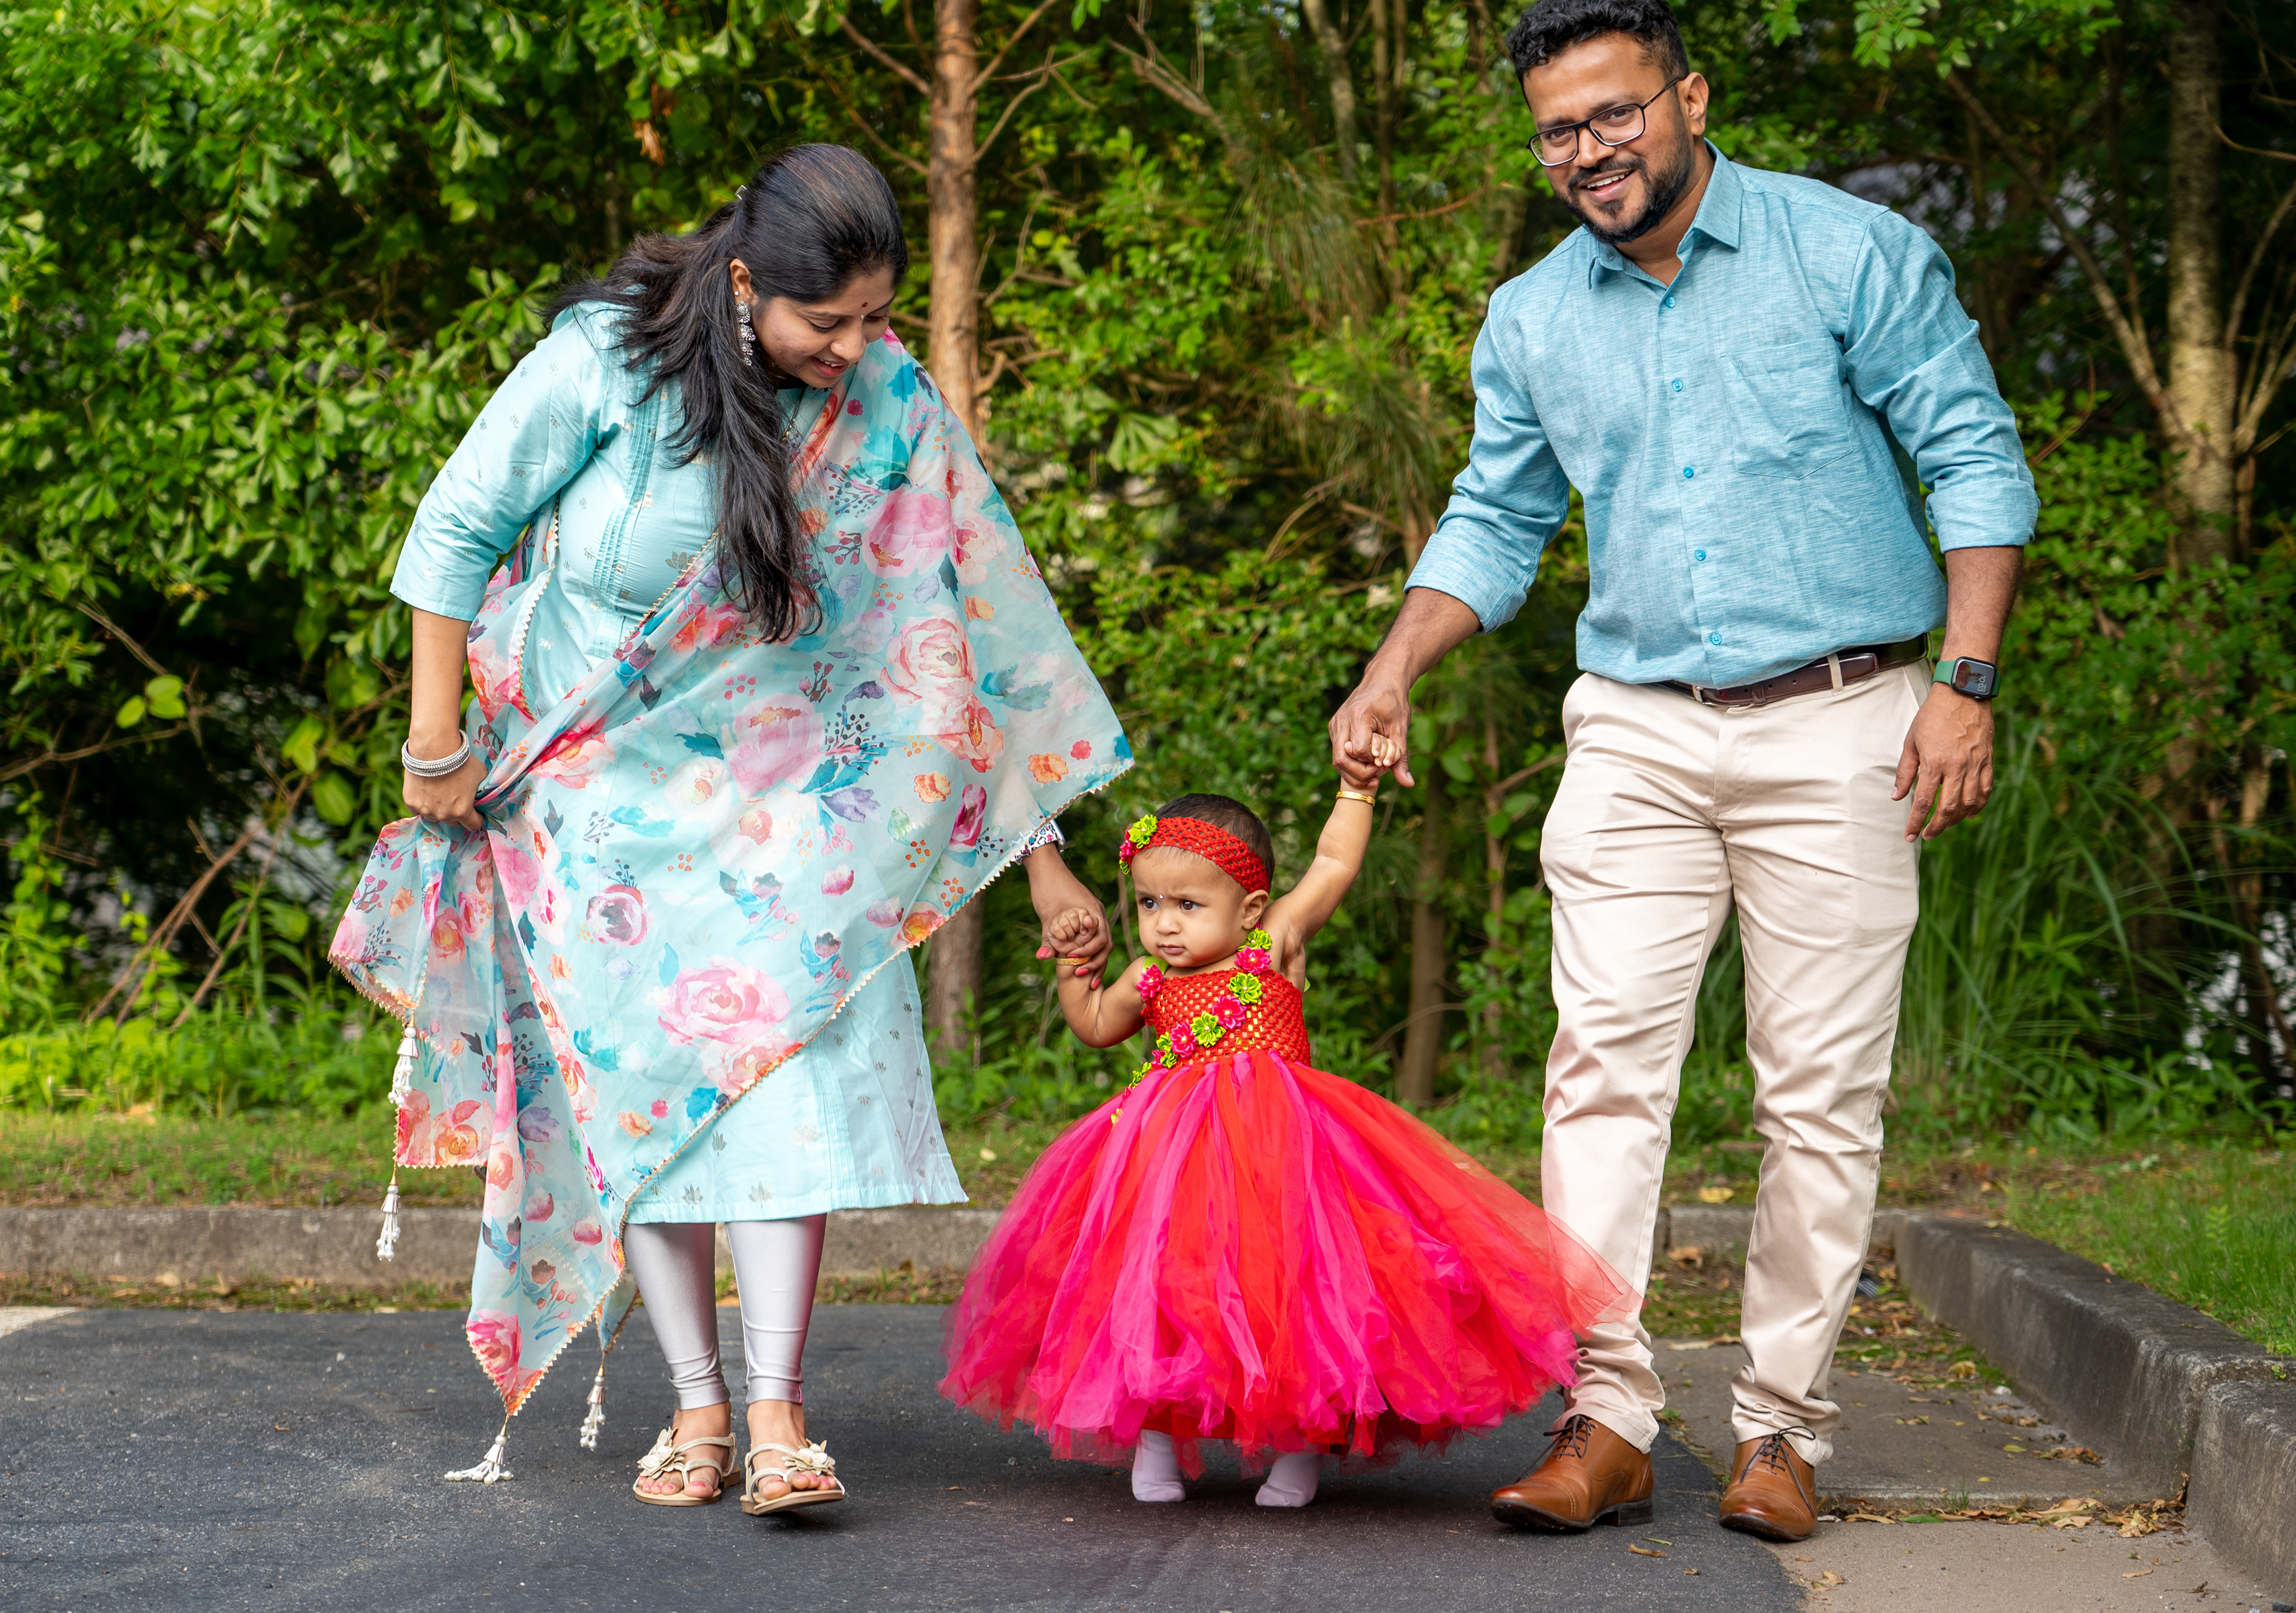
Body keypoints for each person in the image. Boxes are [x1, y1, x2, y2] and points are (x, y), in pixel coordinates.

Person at [329, 143, 1129, 1513]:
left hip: (793, 795)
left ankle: (777, 1412)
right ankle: (695, 1406)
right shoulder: (609, 361)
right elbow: (454, 532)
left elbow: (963, 630)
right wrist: (434, 744)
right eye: (830, 320)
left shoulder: (883, 399)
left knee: (782, 1079)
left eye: (876, 318)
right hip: (594, 791)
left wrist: (1039, 853)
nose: (855, 348)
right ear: (749, 282)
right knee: (640, 1088)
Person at [1328, 0, 2035, 1544]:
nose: (1589, 151)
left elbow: (1973, 456)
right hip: (1637, 724)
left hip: (1844, 714)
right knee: (1599, 1070)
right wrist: (1393, 663)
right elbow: (1495, 517)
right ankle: (1607, 1417)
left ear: (1689, 97)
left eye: (1614, 114)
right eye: (1557, 132)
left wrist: (1964, 684)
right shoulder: (1532, 317)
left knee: (1818, 1093)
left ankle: (1782, 1429)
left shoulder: (1846, 253)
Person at [938, 786, 1633, 1509]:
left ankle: (1300, 1449)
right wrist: (1070, 966)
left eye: (1188, 905)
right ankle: (1155, 1440)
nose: (1164, 924)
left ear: (1250, 908)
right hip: (1168, 1163)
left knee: (1300, 1295)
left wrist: (1356, 790)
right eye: (1148, 903)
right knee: (1164, 1291)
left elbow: (1333, 863)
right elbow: (1092, 1023)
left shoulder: (1270, 943)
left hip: (1283, 1156)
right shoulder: (1149, 978)